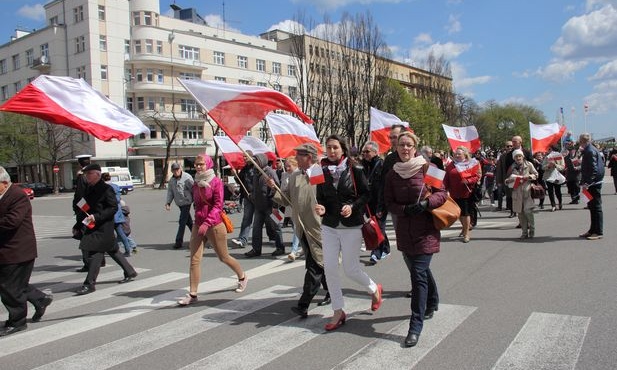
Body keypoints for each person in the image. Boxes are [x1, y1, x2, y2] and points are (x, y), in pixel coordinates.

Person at [384, 132, 446, 348]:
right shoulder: (392, 174)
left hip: (426, 229)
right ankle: (434, 300)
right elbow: (388, 202)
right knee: (419, 270)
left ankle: (415, 326)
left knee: (418, 275)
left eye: (409, 145)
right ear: (397, 147)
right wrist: (403, 209)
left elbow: (443, 194)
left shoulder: (428, 167)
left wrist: (425, 204)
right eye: (401, 145)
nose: (405, 148)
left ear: (415, 147)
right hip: (404, 230)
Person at [314, 134, 383, 331]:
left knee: (350, 269)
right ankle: (338, 310)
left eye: (335, 147)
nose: (332, 151)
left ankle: (373, 288)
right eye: (329, 147)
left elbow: (367, 194)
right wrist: (321, 208)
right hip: (329, 225)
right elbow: (321, 198)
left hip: (351, 226)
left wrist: (353, 206)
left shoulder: (356, 168)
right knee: (330, 268)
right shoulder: (322, 170)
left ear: (343, 149)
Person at [267, 143, 330, 318]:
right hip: (301, 227)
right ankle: (331, 291)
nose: (296, 159)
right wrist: (274, 188)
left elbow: (328, 199)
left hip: (318, 227)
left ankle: (304, 303)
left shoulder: (319, 173)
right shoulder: (295, 175)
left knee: (314, 265)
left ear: (309, 157)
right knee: (318, 261)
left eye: (299, 156)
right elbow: (287, 199)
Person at [178, 154, 248, 305]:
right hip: (199, 224)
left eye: (201, 164)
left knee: (224, 257)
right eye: (196, 164)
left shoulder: (216, 182)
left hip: (215, 225)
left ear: (208, 164)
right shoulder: (196, 182)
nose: (198, 167)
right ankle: (193, 294)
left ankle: (242, 276)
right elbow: (196, 204)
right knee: (194, 260)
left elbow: (218, 206)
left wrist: (207, 223)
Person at [0, 167, 54, 336]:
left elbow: (12, 221)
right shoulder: (3, 195)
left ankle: (17, 321)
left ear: (3, 182)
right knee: (14, 284)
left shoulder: (17, 195)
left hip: (17, 249)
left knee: (10, 287)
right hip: (7, 250)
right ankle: (40, 299)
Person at [75, 164, 138, 295]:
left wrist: (96, 217)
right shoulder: (89, 189)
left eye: (89, 174)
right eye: (86, 174)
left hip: (103, 227)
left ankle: (89, 284)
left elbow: (113, 208)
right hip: (92, 225)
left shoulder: (106, 189)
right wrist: (78, 224)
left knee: (95, 254)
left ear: (97, 174)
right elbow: (84, 207)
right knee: (113, 250)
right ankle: (130, 271)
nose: (87, 177)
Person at [244, 153, 285, 258]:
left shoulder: (270, 172)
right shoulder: (256, 172)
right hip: (259, 206)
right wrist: (252, 195)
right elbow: (256, 188)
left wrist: (273, 186)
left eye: (256, 161)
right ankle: (256, 249)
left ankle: (280, 247)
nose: (254, 163)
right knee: (256, 229)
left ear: (261, 161)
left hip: (272, 205)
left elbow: (278, 188)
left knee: (276, 226)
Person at [73, 154, 105, 272]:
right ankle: (100, 260)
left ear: (79, 164)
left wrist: (81, 214)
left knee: (85, 237)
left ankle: (88, 263)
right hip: (94, 210)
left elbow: (80, 197)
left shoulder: (83, 177)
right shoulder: (95, 175)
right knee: (95, 235)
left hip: (86, 211)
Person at [361, 140, 390, 264]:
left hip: (380, 202)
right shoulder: (363, 166)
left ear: (375, 152)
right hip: (368, 202)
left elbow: (385, 186)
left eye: (367, 151)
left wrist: (381, 206)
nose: (364, 154)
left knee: (378, 226)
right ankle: (386, 248)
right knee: (376, 227)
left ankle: (375, 253)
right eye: (363, 152)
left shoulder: (381, 165)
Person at [444, 146, 480, 243]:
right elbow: (446, 178)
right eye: (455, 154)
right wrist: (445, 189)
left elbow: (477, 177)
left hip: (466, 193)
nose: (457, 155)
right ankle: (464, 228)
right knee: (458, 213)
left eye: (459, 154)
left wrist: (468, 181)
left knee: (465, 213)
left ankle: (467, 233)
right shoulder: (451, 165)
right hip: (454, 193)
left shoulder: (469, 164)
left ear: (465, 154)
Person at [506, 149, 538, 239]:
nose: (518, 158)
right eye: (516, 157)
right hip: (517, 193)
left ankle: (532, 229)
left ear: (523, 156)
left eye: (520, 156)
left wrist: (530, 177)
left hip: (527, 191)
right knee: (521, 214)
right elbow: (506, 180)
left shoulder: (528, 164)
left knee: (528, 212)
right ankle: (524, 233)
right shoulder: (511, 167)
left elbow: (536, 174)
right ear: (514, 158)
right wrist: (510, 180)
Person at [578, 133, 605, 240]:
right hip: (592, 183)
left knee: (596, 207)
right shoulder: (589, 150)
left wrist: (587, 183)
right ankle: (592, 230)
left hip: (593, 184)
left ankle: (598, 232)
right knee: (592, 207)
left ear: (582, 141)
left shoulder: (590, 151)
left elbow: (594, 170)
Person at [102, 172, 135, 256]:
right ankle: (128, 250)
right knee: (121, 233)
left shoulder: (104, 188)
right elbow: (118, 198)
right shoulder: (115, 186)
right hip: (117, 213)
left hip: (108, 214)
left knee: (106, 233)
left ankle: (107, 250)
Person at [165, 162, 194, 249]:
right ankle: (200, 237)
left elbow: (193, 189)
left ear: (180, 169)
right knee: (189, 222)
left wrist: (196, 201)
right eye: (174, 170)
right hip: (179, 203)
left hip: (187, 202)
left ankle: (178, 241)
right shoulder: (172, 180)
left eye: (177, 169)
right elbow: (170, 192)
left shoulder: (187, 177)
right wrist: (168, 203)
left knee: (182, 222)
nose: (176, 171)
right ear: (172, 171)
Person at [279, 157, 303, 261]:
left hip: (299, 205)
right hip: (289, 204)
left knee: (297, 227)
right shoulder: (284, 175)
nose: (287, 168)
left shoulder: (300, 174)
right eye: (286, 166)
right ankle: (303, 246)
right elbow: (282, 190)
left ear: (296, 165)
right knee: (296, 227)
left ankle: (294, 251)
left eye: (289, 166)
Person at [231, 151, 255, 248]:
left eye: (246, 156)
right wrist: (235, 174)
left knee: (269, 219)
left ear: (251, 156)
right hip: (247, 197)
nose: (244, 158)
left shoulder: (256, 167)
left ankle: (275, 236)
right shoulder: (245, 168)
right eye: (243, 156)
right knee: (247, 219)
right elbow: (240, 181)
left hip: (258, 198)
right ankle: (242, 240)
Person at [542, 145, 565, 212]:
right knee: (550, 191)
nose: (549, 151)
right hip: (549, 176)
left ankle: (560, 202)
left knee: (558, 191)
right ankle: (553, 205)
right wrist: (548, 166)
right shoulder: (547, 157)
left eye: (550, 149)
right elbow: (543, 167)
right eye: (549, 149)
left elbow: (562, 167)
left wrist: (555, 165)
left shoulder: (560, 157)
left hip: (557, 176)